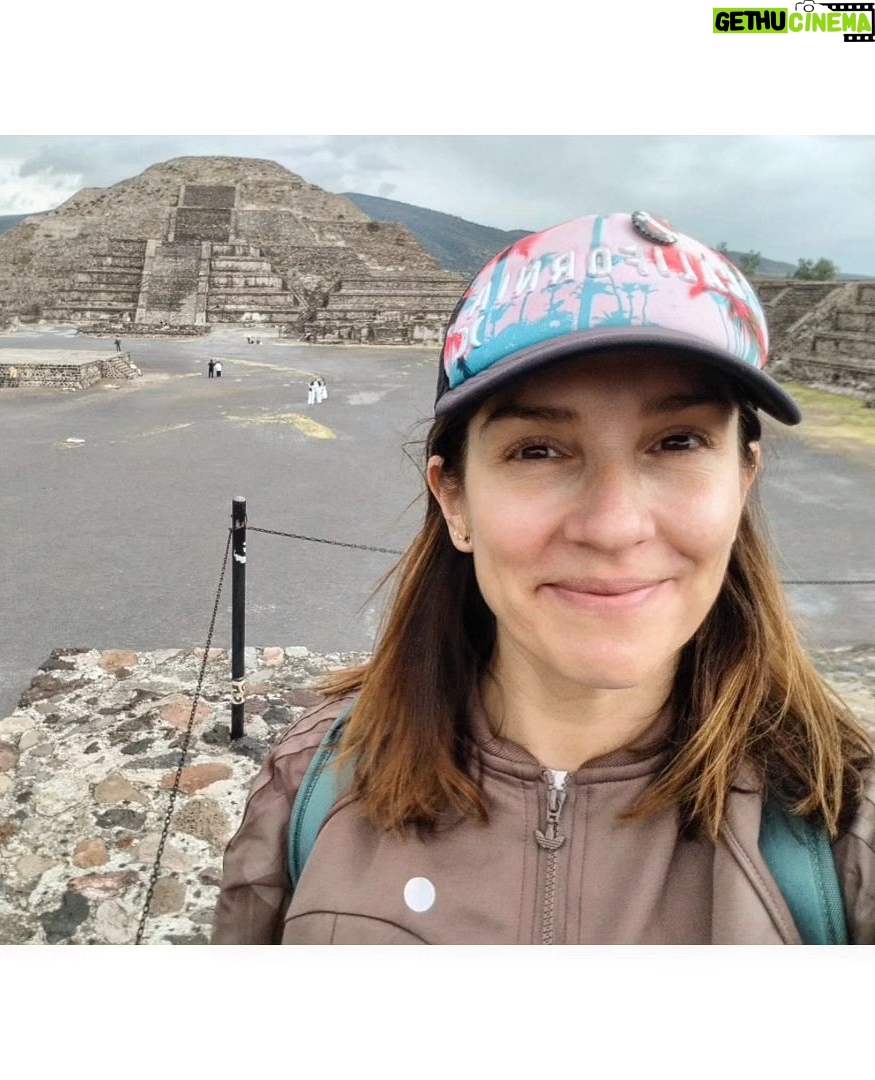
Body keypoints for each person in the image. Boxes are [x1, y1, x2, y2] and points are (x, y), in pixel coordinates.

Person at [213, 211, 875, 945]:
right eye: (537, 450)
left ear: (743, 478)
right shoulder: (307, 788)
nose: (614, 526)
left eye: (678, 442)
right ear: (454, 498)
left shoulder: (851, 833)